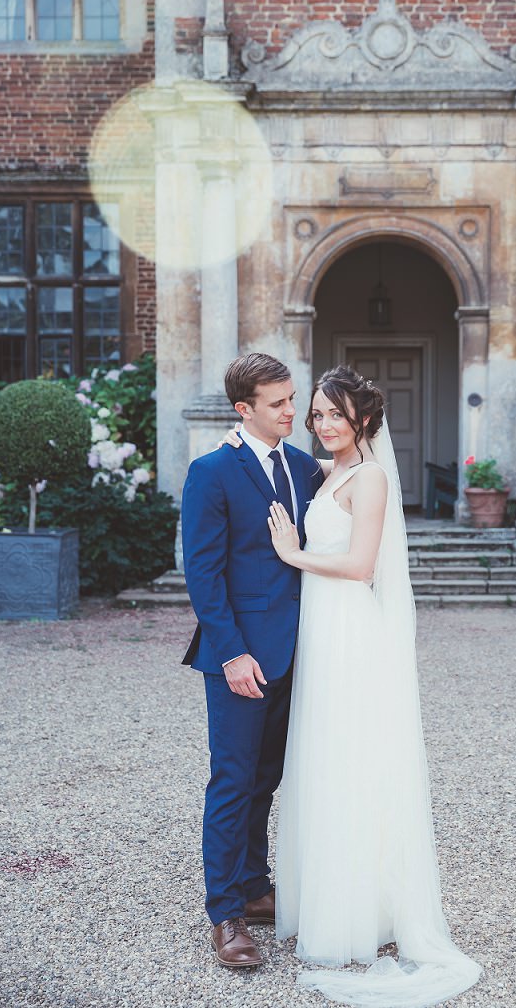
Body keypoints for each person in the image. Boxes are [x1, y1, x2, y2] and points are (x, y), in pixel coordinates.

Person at [263, 365, 482, 1006]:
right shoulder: (323, 474)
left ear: (364, 418)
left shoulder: (372, 477)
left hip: (349, 631)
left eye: (336, 414)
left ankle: (359, 917)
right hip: (319, 629)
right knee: (323, 763)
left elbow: (359, 567)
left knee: (351, 761)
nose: (324, 425)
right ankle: (328, 901)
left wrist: (291, 553)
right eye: (318, 416)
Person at [180, 353, 324, 969]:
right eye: (279, 403)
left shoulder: (303, 466)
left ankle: (255, 886)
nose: (293, 411)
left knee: (268, 778)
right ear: (244, 409)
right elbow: (204, 574)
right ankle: (226, 914)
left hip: (299, 653)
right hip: (239, 658)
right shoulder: (211, 471)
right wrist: (233, 652)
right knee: (233, 781)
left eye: (294, 398)